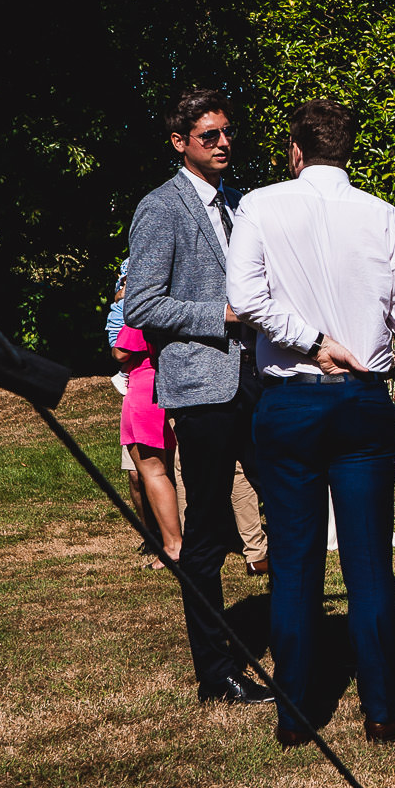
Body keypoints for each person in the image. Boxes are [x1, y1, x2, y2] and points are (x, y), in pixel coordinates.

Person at [227, 98, 395, 745]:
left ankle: (295, 714)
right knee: (369, 560)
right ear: (349, 150)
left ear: (295, 150)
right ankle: (379, 708)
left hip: (289, 403)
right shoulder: (383, 215)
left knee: (294, 560)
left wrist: (307, 336)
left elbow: (243, 299)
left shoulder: (260, 205)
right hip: (363, 400)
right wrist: (346, 328)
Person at [125, 90, 271, 708]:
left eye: (226, 133)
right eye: (208, 135)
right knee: (208, 534)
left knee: (288, 509)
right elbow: (142, 304)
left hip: (257, 383)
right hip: (202, 389)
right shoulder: (160, 208)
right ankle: (217, 673)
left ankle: (299, 640)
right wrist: (223, 313)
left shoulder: (242, 206)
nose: (222, 143)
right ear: (180, 142)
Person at [109, 272, 183, 566]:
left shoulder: (142, 311)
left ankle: (172, 545)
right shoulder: (174, 303)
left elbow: (120, 352)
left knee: (152, 472)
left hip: (144, 390)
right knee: (170, 470)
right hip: (169, 385)